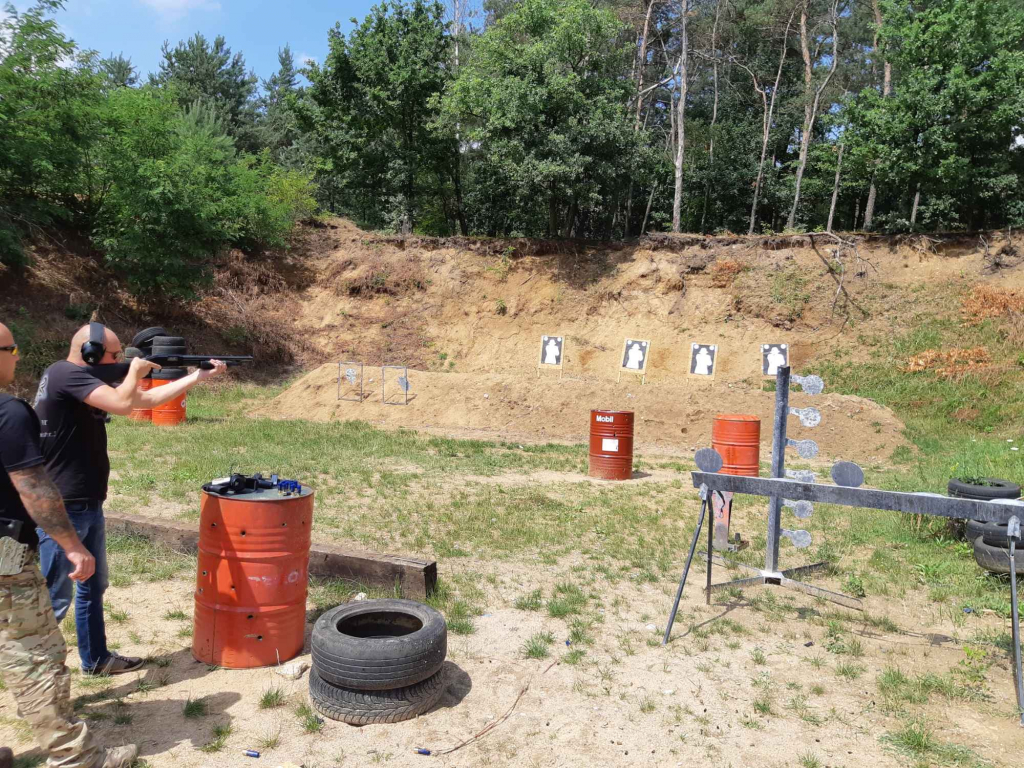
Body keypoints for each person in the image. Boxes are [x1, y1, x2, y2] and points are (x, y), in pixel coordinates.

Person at [33, 323, 226, 676]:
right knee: (54, 596)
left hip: (86, 502)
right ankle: (33, 679)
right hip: (64, 506)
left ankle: (96, 660)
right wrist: (135, 372)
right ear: (90, 354)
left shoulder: (78, 379)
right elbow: (124, 405)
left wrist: (196, 377)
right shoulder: (65, 374)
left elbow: (147, 401)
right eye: (114, 355)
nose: (120, 360)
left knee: (93, 586)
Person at [0, 322, 137, 768]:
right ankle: (75, 758)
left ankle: (95, 658)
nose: (18, 357)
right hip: (10, 548)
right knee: (37, 653)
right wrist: (72, 545)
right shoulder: (9, 412)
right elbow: (34, 489)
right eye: (11, 349)